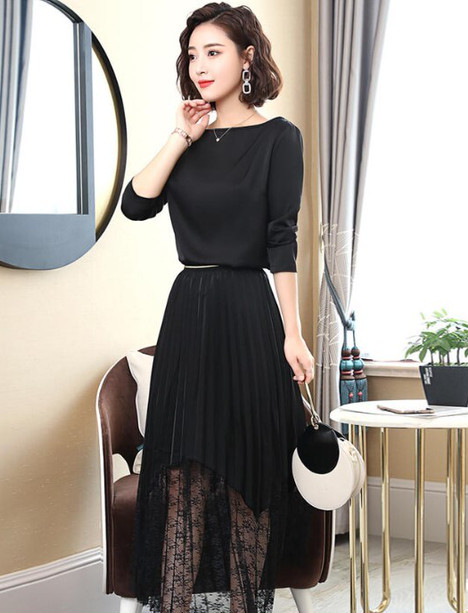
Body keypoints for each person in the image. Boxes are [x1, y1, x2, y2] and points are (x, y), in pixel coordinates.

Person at [120, 3, 315, 612]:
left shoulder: (279, 138)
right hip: (190, 313)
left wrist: (292, 334)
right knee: (181, 476)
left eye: (214, 52)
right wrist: (181, 134)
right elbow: (136, 205)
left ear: (246, 58)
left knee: (245, 478)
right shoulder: (190, 140)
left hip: (249, 312)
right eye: (192, 54)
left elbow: (282, 240)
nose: (199, 65)